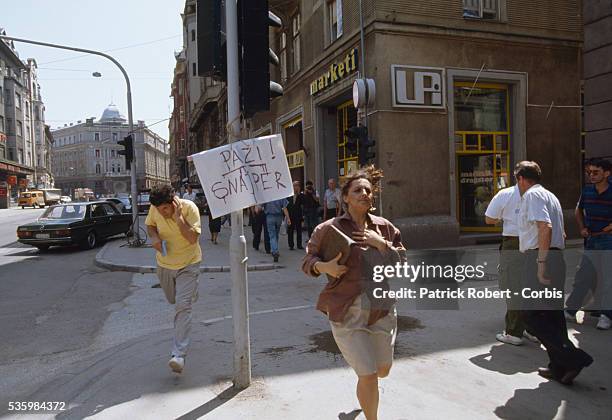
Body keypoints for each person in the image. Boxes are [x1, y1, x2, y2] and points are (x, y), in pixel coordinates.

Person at [302, 166, 405, 420]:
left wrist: (381, 244)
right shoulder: (328, 229)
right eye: (357, 189)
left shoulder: (384, 228)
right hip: (345, 311)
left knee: (382, 370)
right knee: (368, 374)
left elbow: (401, 262)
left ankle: (362, 397)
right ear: (345, 197)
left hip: (381, 309)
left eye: (368, 190)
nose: (364, 194)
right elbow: (308, 260)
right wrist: (324, 267)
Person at [515, 161, 593, 385]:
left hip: (541, 257)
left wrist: (541, 263)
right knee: (552, 315)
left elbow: (545, 227)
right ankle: (558, 367)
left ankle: (573, 359)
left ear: (520, 178)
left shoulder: (532, 195)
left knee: (529, 314)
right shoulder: (550, 195)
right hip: (555, 256)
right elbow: (561, 232)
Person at [145, 184, 202, 374]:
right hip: (165, 265)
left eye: (165, 209)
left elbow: (193, 239)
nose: (162, 213)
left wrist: (178, 219)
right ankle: (189, 292)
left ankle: (178, 355)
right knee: (173, 300)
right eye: (159, 210)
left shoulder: (189, 208)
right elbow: (150, 225)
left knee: (182, 305)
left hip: (188, 264)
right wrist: (153, 238)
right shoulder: (155, 209)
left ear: (174, 202)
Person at [485, 183, 537, 345]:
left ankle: (514, 332)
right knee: (532, 285)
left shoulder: (506, 194)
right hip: (536, 242)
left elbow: (489, 219)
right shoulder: (543, 195)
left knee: (513, 286)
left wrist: (505, 217)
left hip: (514, 242)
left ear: (519, 177)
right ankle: (532, 328)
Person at [565, 158, 612, 329]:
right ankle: (570, 311)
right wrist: (582, 227)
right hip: (591, 238)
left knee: (608, 278)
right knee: (583, 275)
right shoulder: (587, 191)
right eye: (589, 172)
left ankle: (607, 315)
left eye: (595, 172)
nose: (591, 175)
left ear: (607, 173)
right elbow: (578, 209)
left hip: (608, 239)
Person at [263, 198, 291, 262]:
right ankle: (275, 249)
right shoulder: (280, 195)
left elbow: (260, 206)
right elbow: (284, 208)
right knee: (276, 234)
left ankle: (275, 251)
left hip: (270, 216)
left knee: (272, 235)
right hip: (279, 217)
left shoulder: (266, 195)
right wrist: (288, 218)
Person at [287, 181, 305, 250]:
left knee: (299, 230)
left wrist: (299, 193)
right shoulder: (289, 195)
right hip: (290, 215)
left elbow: (304, 204)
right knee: (290, 230)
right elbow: (286, 206)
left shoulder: (301, 195)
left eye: (297, 185)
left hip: (298, 215)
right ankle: (291, 245)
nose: (296, 187)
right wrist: (286, 216)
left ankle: (299, 245)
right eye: (294, 185)